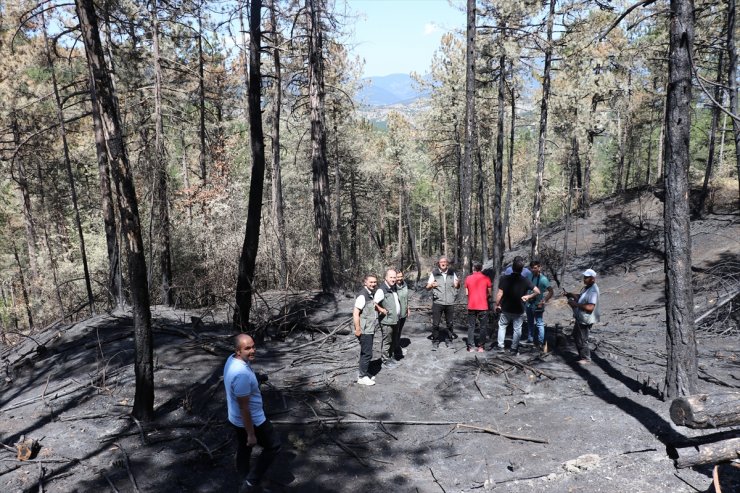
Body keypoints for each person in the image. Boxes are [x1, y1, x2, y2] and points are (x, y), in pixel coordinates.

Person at [224, 334, 282, 493]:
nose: (252, 350)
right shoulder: (241, 374)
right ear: (237, 351)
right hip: (253, 419)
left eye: (253, 346)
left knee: (244, 448)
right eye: (247, 348)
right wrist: (251, 434)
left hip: (235, 418)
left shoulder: (231, 360)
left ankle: (243, 477)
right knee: (273, 446)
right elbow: (245, 408)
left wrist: (256, 378)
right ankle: (250, 483)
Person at [495, 258, 540, 355]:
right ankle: (514, 348)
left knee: (502, 326)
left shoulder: (504, 278)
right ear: (522, 269)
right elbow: (537, 291)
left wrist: (497, 304)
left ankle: (500, 347)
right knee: (517, 329)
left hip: (506, 307)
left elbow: (499, 293)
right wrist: (528, 296)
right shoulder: (525, 281)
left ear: (512, 268)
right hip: (519, 309)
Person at [564, 269, 601, 364]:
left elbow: (590, 307)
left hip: (586, 319)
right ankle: (582, 356)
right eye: (584, 277)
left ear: (593, 279)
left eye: (587, 278)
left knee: (582, 338)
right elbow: (581, 297)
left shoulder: (593, 291)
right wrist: (570, 294)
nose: (584, 279)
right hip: (581, 317)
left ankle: (586, 358)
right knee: (577, 336)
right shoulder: (587, 288)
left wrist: (575, 304)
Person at [426, 256, 460, 349]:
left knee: (450, 323)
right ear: (439, 264)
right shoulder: (434, 273)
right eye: (441, 262)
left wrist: (458, 284)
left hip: (449, 302)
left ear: (447, 263)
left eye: (445, 262)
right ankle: (435, 341)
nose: (443, 263)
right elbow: (427, 287)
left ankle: (449, 340)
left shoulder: (452, 273)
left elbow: (457, 286)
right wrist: (432, 285)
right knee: (436, 323)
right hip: (438, 302)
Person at [353, 274, 378, 385]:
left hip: (369, 328)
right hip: (364, 330)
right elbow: (355, 313)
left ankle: (364, 372)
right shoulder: (362, 296)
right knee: (367, 353)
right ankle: (361, 377)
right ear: (365, 283)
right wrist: (358, 329)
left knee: (366, 352)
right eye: (371, 282)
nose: (373, 284)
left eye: (374, 282)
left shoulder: (370, 294)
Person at [374, 268, 401, 368]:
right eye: (391, 277)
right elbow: (374, 303)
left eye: (394, 277)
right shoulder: (382, 290)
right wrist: (381, 310)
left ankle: (390, 356)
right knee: (387, 341)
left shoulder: (393, 288)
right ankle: (385, 360)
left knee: (394, 340)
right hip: (386, 321)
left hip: (395, 319)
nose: (393, 279)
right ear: (386, 277)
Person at [524, 260, 554, 349]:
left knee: (539, 323)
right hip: (529, 303)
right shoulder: (529, 276)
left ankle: (541, 342)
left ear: (539, 267)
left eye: (535, 268)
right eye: (532, 268)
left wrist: (544, 300)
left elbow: (551, 291)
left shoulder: (543, 279)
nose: (533, 270)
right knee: (530, 322)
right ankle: (530, 339)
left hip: (538, 304)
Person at [465, 261, 492, 352]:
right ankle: (481, 347)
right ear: (481, 269)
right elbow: (489, 293)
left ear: (473, 268)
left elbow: (467, 293)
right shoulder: (486, 278)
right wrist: (484, 297)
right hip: (483, 306)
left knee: (471, 326)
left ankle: (470, 346)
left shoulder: (468, 278)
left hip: (471, 305)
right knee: (483, 327)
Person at [395, 270, 411, 358]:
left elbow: (406, 298)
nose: (400, 278)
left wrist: (407, 308)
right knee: (395, 332)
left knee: (399, 331)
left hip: (403, 312)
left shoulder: (404, 285)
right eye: (398, 277)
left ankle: (397, 347)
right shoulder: (393, 287)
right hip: (396, 314)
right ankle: (394, 349)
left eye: (401, 276)